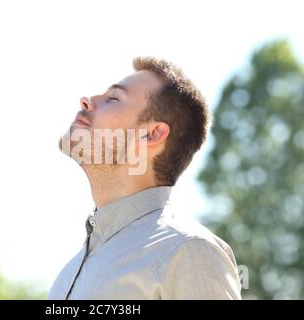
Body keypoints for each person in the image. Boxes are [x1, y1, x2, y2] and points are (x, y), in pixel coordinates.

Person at [49, 57, 242, 299]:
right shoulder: (68, 274)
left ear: (152, 134)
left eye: (113, 98)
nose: (87, 101)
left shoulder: (187, 251)